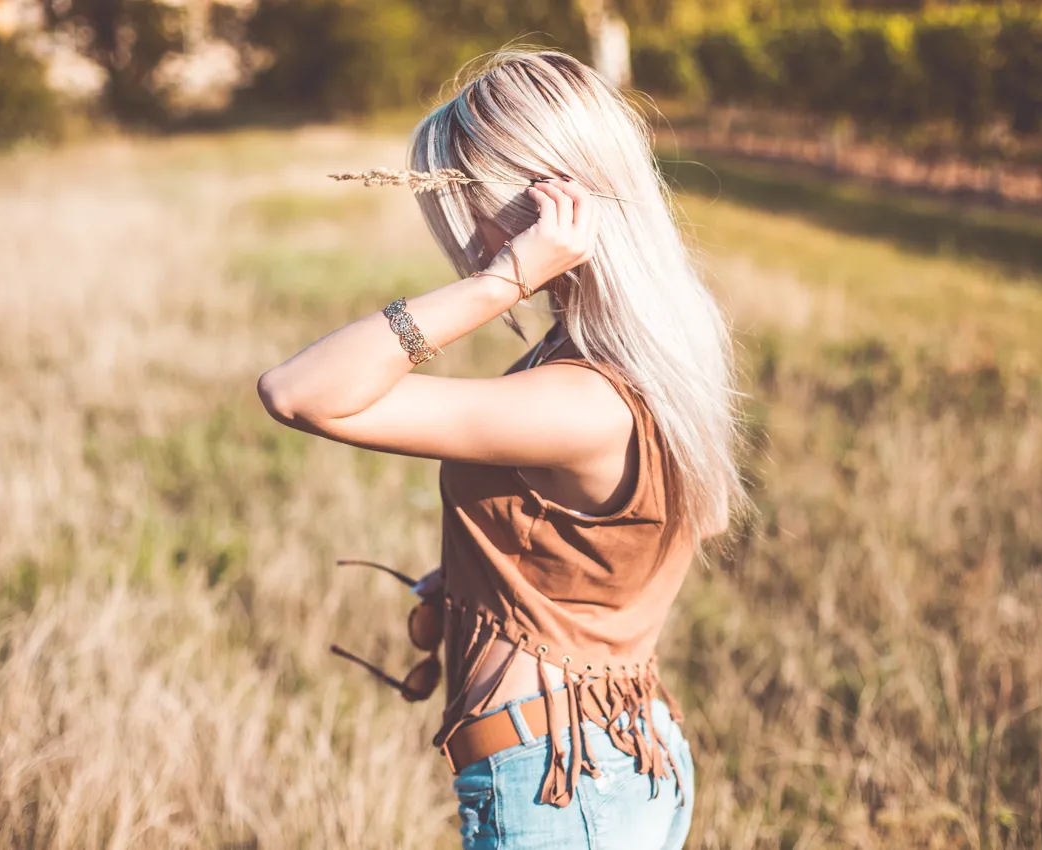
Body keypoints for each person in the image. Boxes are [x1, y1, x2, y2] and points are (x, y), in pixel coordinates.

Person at [257, 47, 745, 850]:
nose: (461, 240)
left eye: (465, 207)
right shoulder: (653, 356)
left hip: (559, 791)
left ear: (544, 206)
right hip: (624, 759)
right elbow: (683, 523)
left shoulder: (579, 399)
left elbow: (299, 392)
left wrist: (503, 281)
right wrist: (513, 568)